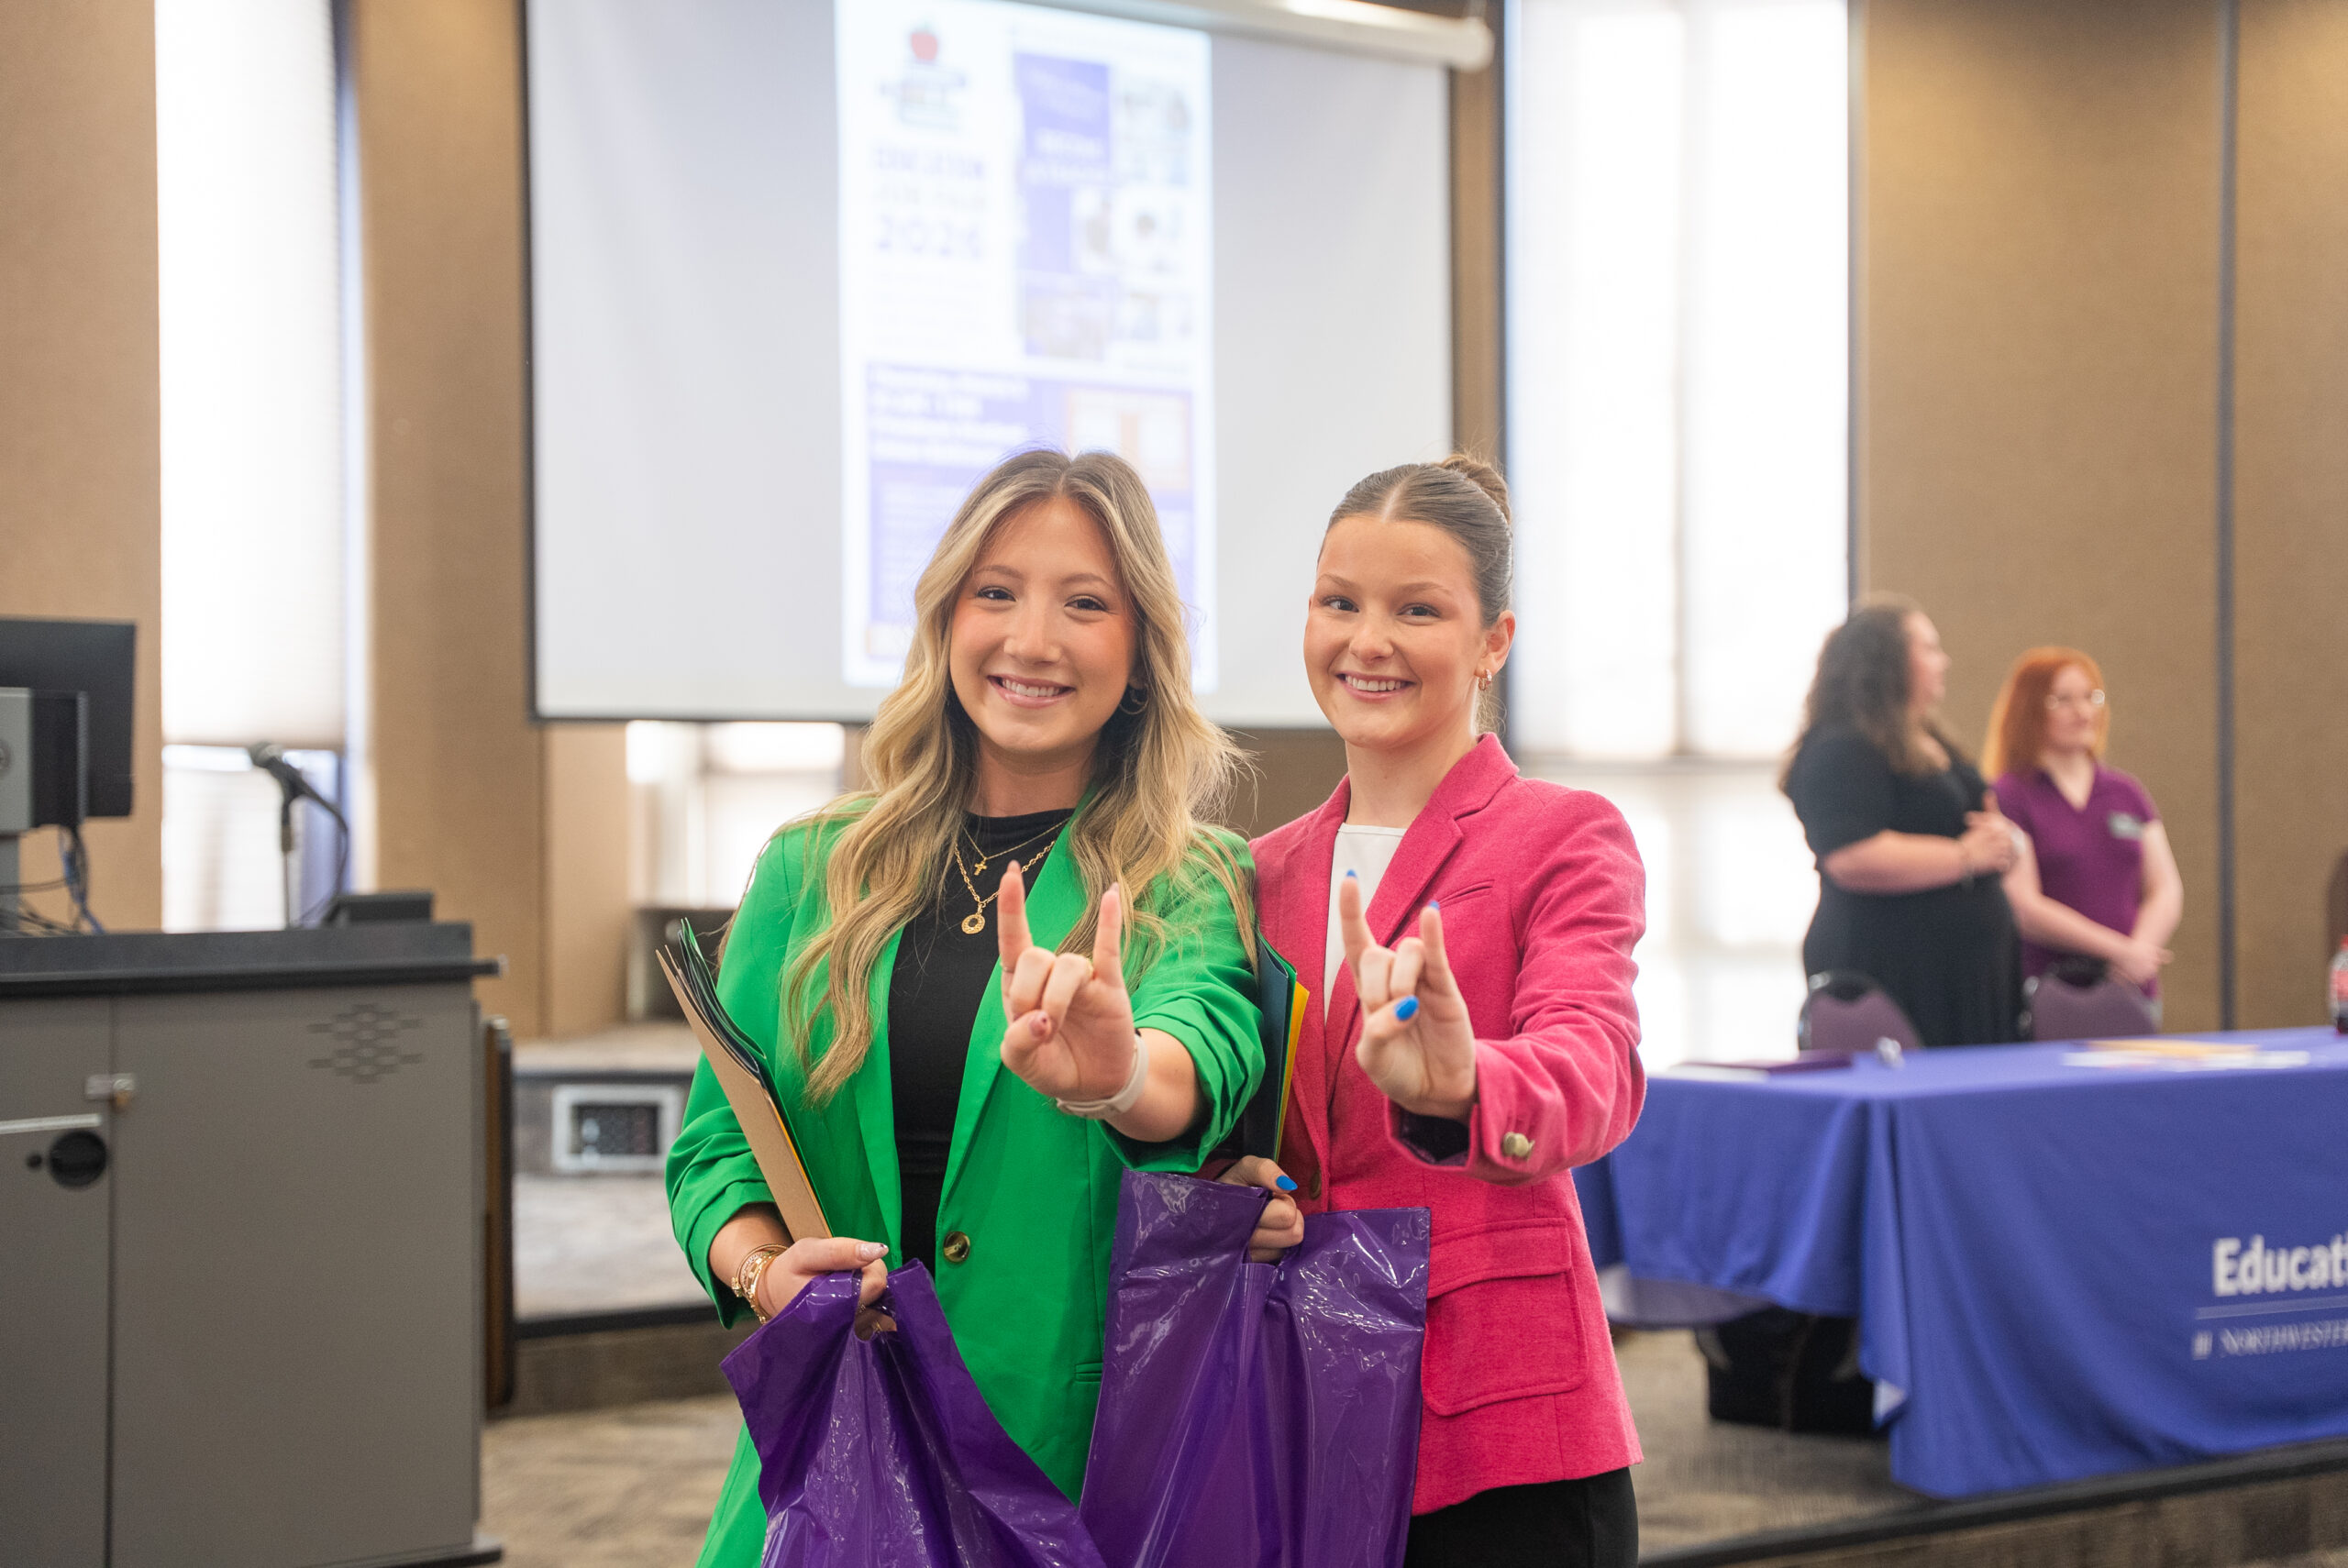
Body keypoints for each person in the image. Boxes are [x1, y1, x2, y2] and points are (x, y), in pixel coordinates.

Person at [664, 448, 1264, 1566]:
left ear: (1138, 656)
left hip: (1064, 1464)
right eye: (995, 593)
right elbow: (715, 1152)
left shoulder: (1189, 876)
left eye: (1084, 604)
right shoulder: (812, 870)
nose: (1030, 640)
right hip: (829, 1451)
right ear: (946, 622)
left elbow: (1202, 1056)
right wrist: (761, 1271)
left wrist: (1122, 1073)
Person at [1226, 457, 1647, 1568]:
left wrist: (1466, 1086)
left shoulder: (1562, 833)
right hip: (1298, 1398)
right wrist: (1225, 1184)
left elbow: (1593, 1064)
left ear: (1492, 641)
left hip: (1498, 1425)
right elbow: (1238, 1114)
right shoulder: (1253, 875)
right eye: (1340, 604)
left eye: (1418, 610)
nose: (1368, 642)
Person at [1780, 596, 2021, 1046]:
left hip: (1967, 974)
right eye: (1929, 648)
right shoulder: (1841, 748)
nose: (1943, 661)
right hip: (1892, 964)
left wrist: (2006, 842)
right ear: (1887, 661)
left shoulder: (1934, 740)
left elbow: (1984, 819)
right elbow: (1852, 856)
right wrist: (1967, 855)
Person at [1983, 647, 2182, 1000]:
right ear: (2030, 710)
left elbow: (2165, 888)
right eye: (2063, 700)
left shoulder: (2125, 792)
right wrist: (2115, 951)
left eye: (2092, 697)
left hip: (2131, 991)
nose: (2083, 712)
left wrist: (2138, 952)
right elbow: (2025, 907)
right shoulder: (2010, 795)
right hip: (2053, 992)